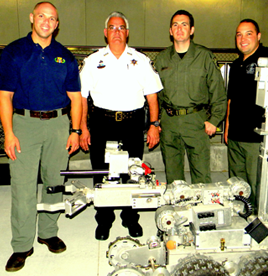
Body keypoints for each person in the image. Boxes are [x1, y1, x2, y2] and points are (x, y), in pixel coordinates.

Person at [0, 2, 82, 272]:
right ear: (32, 18)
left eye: (52, 18)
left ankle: (48, 232)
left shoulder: (65, 56)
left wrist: (76, 130)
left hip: (58, 124)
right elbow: (5, 96)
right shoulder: (14, 52)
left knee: (54, 182)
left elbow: (76, 98)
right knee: (22, 187)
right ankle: (22, 245)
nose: (46, 22)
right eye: (42, 16)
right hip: (24, 124)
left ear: (57, 25)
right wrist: (9, 132)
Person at [79, 11, 163, 241]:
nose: (117, 32)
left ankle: (130, 218)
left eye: (121, 28)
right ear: (106, 33)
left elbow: (152, 97)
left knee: (132, 172)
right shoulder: (93, 61)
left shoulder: (141, 60)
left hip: (132, 124)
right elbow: (82, 97)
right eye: (112, 28)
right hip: (101, 123)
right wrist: (83, 128)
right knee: (102, 173)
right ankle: (104, 219)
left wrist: (154, 125)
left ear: (127, 32)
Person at [154, 10, 227, 185]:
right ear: (170, 31)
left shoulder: (204, 56)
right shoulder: (162, 59)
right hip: (169, 122)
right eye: (175, 25)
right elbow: (155, 94)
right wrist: (156, 122)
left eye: (184, 25)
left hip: (196, 121)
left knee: (201, 174)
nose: (179, 29)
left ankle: (200, 210)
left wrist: (215, 120)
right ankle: (179, 208)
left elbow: (218, 91)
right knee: (173, 175)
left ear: (192, 30)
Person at [224, 19, 268, 209]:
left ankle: (258, 220)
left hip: (258, 135)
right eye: (239, 34)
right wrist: (227, 127)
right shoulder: (235, 65)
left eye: (248, 33)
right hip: (236, 134)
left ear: (258, 36)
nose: (243, 38)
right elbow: (230, 99)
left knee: (257, 183)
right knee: (237, 183)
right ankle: (241, 214)